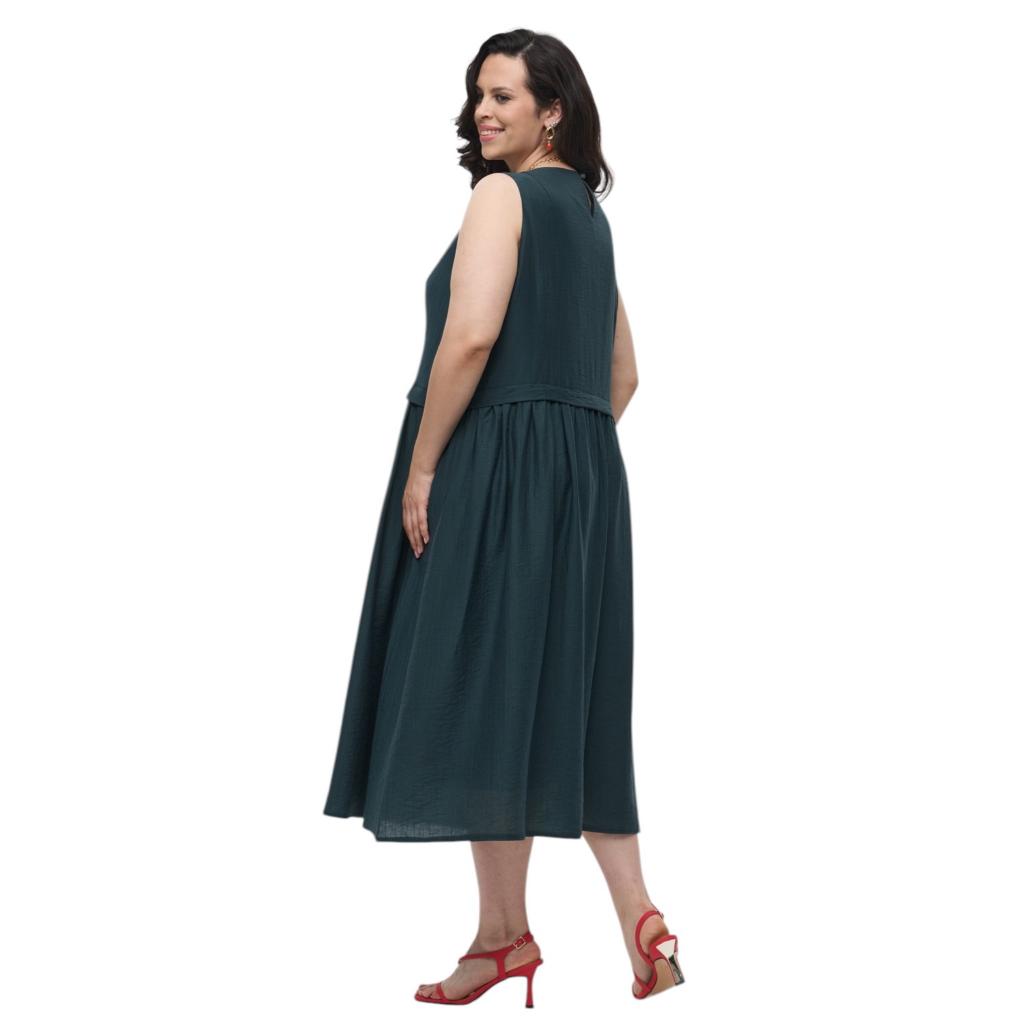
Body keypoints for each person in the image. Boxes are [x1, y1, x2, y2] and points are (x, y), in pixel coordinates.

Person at [322, 29, 685, 1006]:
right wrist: (562, 463)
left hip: (491, 470)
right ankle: (625, 922)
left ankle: (506, 932)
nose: (483, 112)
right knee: (566, 699)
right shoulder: (590, 219)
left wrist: (429, 464)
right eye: (478, 94)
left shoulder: (503, 197)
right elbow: (623, 374)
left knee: (483, 686)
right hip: (586, 482)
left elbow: (471, 335)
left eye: (504, 96)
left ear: (551, 110)